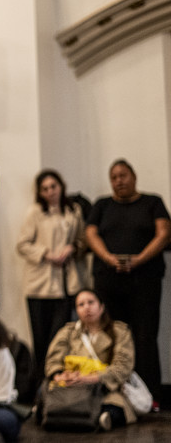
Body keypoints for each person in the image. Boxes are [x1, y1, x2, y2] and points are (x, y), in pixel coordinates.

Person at [85, 159, 170, 410]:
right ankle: (116, 394)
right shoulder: (102, 205)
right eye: (113, 177)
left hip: (144, 280)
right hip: (108, 281)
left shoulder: (152, 202)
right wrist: (109, 258)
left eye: (123, 175)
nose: (118, 181)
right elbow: (90, 233)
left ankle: (150, 398)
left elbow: (164, 233)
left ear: (134, 176)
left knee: (145, 337)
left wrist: (139, 259)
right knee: (113, 337)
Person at [16, 169, 87, 377]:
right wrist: (46, 254)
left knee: (61, 338)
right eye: (45, 189)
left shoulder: (73, 210)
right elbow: (22, 244)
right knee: (41, 339)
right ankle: (41, 383)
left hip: (66, 285)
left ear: (61, 186)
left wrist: (72, 248)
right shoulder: (36, 212)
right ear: (40, 192)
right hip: (40, 286)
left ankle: (58, 381)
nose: (50, 192)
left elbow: (83, 240)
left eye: (53, 186)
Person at [44, 289, 137, 430]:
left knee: (114, 407)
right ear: (76, 310)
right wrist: (59, 376)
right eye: (81, 305)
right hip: (71, 385)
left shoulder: (119, 331)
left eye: (91, 302)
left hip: (103, 387)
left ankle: (100, 417)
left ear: (101, 306)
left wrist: (92, 378)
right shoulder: (67, 332)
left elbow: (123, 366)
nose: (86, 308)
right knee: (45, 392)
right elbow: (53, 360)